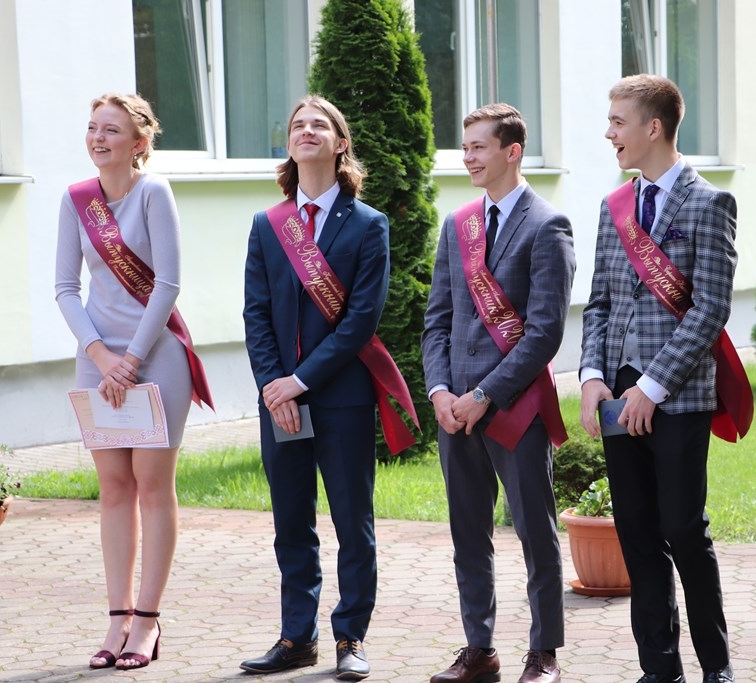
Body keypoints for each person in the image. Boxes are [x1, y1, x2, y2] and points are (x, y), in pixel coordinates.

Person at [579, 75, 737, 683]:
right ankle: (659, 669)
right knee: (637, 533)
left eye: (618, 122)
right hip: (617, 395)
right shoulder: (613, 206)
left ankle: (716, 667)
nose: (608, 133)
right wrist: (593, 376)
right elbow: (599, 302)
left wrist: (653, 386)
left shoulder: (709, 203)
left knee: (683, 530)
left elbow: (710, 309)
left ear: (653, 127)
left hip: (677, 397)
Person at [55, 93, 213, 671]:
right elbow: (65, 289)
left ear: (139, 142)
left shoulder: (153, 193)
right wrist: (101, 355)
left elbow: (167, 284)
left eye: (112, 130)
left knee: (151, 485)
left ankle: (147, 620)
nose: (98, 138)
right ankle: (117, 617)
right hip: (97, 359)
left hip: (157, 356)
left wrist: (132, 358)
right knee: (114, 487)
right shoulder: (76, 200)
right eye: (92, 128)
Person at [241, 95, 393, 681]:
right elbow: (255, 314)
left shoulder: (368, 224)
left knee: (352, 522)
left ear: (339, 143)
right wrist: (272, 387)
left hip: (342, 398)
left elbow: (359, 322)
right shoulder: (268, 225)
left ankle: (350, 636)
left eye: (319, 125)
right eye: (298, 125)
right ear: (289, 144)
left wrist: (299, 382)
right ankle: (295, 637)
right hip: (279, 403)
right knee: (291, 522)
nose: (307, 131)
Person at [422, 103, 575, 683]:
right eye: (465, 148)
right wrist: (440, 390)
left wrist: (485, 393)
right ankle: (479, 649)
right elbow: (437, 319)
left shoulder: (547, 225)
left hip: (515, 408)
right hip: (455, 411)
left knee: (535, 531)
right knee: (468, 534)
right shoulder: (457, 224)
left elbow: (544, 332)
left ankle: (544, 653)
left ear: (512, 152)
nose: (468, 158)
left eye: (479, 147)